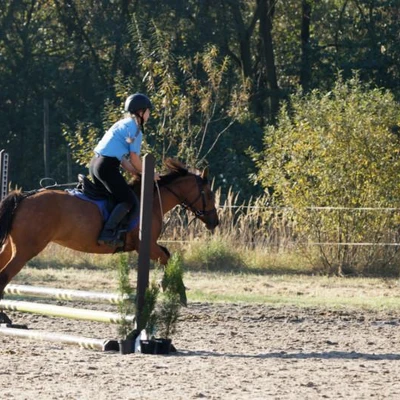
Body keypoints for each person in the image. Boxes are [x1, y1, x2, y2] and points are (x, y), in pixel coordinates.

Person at [89, 93, 158, 247]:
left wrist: (136, 172)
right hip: (107, 167)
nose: (149, 115)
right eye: (148, 111)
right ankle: (107, 234)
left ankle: (110, 231)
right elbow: (134, 158)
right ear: (140, 112)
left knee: (112, 199)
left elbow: (122, 160)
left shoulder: (122, 124)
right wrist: (149, 174)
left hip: (95, 165)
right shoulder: (135, 130)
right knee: (128, 200)